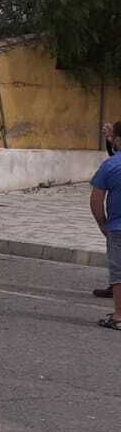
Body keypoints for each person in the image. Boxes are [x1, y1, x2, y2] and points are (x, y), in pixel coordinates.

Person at [91, 132, 121, 321]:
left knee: (118, 272)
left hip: (117, 228)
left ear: (118, 140)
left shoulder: (110, 165)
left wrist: (103, 224)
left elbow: (96, 200)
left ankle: (119, 316)